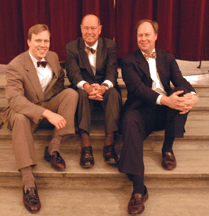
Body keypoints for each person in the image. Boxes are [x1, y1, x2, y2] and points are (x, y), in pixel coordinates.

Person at [118, 19, 198, 214]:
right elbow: (138, 90)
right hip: (142, 109)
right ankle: (138, 190)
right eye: (140, 35)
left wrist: (193, 96)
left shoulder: (167, 57)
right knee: (129, 121)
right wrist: (165, 100)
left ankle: (167, 149)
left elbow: (180, 80)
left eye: (147, 34)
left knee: (181, 94)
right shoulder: (128, 62)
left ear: (155, 36)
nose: (143, 38)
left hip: (165, 111)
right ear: (136, 38)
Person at [1, 24, 78, 213]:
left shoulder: (52, 57)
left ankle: (53, 148)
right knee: (19, 117)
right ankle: (28, 182)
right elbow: (16, 101)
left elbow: (59, 81)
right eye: (38, 40)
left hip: (45, 104)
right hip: (23, 112)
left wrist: (52, 105)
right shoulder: (15, 66)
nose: (43, 45)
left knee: (70, 94)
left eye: (46, 41)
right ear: (28, 42)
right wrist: (47, 113)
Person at [65, 14, 121, 168]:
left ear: (100, 29)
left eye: (93, 28)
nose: (90, 32)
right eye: (86, 28)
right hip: (84, 87)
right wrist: (87, 87)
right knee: (81, 94)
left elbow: (112, 71)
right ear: (81, 29)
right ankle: (85, 145)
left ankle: (109, 144)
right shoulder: (71, 47)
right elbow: (73, 73)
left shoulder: (109, 45)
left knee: (114, 93)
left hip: (104, 86)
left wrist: (103, 87)